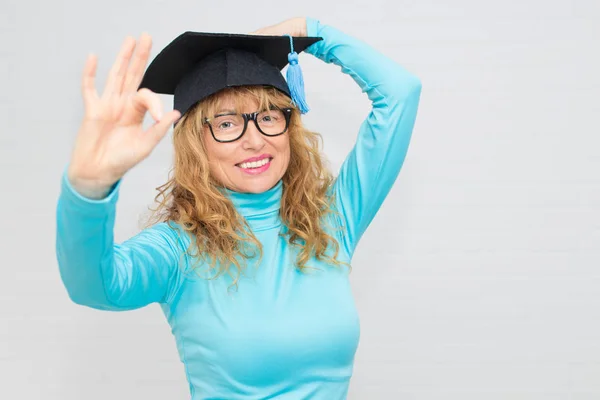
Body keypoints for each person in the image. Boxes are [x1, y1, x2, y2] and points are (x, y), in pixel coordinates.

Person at [55, 16, 422, 400]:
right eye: (227, 124)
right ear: (197, 143)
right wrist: (88, 191)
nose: (254, 140)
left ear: (288, 126)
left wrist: (310, 31)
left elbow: (400, 93)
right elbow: (94, 286)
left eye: (267, 117)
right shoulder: (179, 249)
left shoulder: (332, 220)